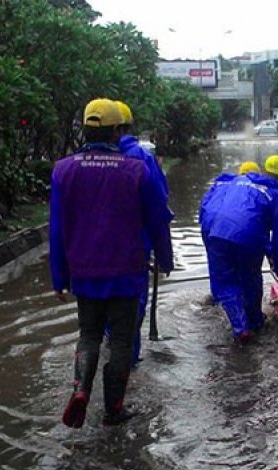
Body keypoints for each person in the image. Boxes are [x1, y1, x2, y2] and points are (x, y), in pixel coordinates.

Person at [50, 98, 173, 428]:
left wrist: (58, 277)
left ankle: (80, 390)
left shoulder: (63, 170)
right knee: (120, 339)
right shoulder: (136, 170)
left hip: (84, 271)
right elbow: (157, 219)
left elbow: (57, 228)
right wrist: (165, 257)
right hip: (126, 270)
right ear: (117, 131)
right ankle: (113, 410)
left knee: (89, 334)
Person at [199, 155, 278, 344]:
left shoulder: (235, 181)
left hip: (216, 232)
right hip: (248, 238)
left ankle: (241, 326)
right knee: (251, 278)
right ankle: (252, 324)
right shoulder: (277, 195)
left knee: (225, 282)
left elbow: (209, 211)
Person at [113, 100, 173, 368]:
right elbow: (159, 205)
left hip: (90, 250)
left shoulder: (82, 160)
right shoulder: (142, 157)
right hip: (134, 247)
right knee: (131, 309)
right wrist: (164, 254)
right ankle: (128, 364)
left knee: (97, 316)